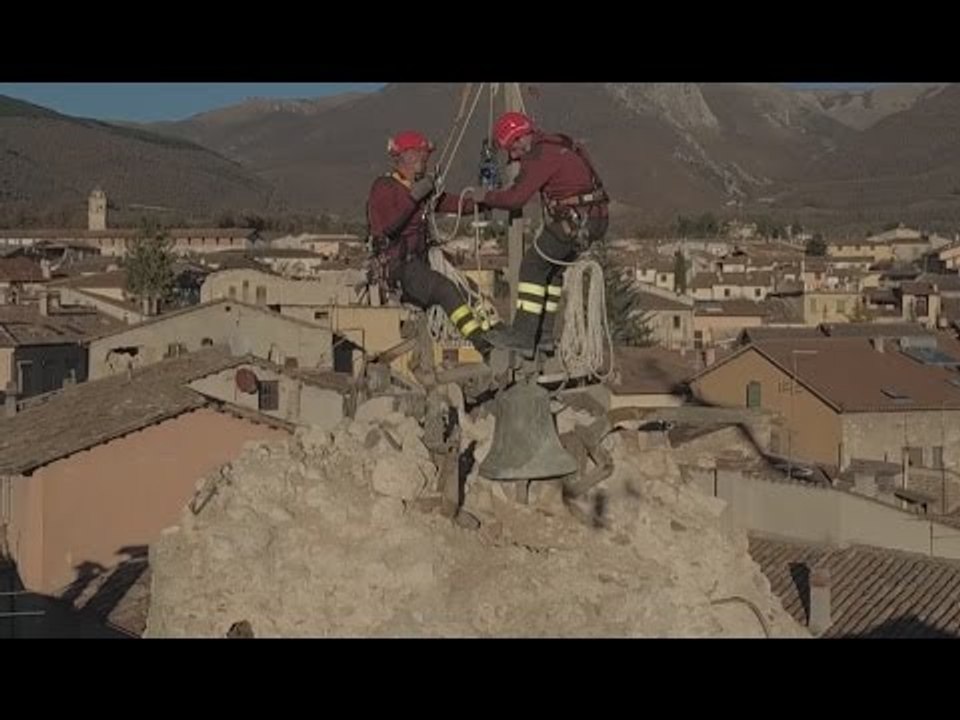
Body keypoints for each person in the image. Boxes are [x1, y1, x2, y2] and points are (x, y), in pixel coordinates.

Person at [477, 112, 609, 358]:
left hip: (574, 220)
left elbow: (516, 197)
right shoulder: (560, 143)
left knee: (532, 265)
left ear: (519, 140)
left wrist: (485, 196)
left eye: (512, 149)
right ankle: (545, 336)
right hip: (595, 218)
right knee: (553, 271)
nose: (513, 156)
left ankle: (523, 336)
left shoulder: (538, 156)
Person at [366, 130, 492, 353]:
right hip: (397, 267)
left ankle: (493, 333)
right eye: (417, 153)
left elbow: (457, 204)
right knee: (445, 289)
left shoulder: (421, 191)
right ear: (402, 156)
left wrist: (488, 200)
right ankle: (481, 343)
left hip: (417, 264)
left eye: (425, 154)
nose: (423, 158)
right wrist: (414, 197)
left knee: (469, 292)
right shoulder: (384, 187)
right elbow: (389, 227)